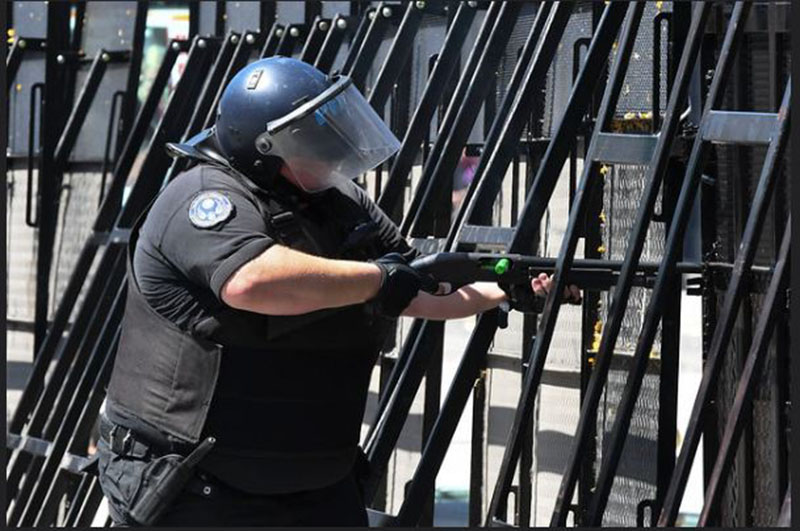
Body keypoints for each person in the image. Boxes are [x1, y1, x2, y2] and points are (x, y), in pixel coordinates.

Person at [94, 57, 581, 527]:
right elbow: (252, 280)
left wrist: (507, 289)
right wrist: (377, 279)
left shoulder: (337, 202)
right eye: (311, 138)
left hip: (316, 485)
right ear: (265, 148)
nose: (331, 147)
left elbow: (416, 287)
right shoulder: (204, 197)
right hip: (200, 489)